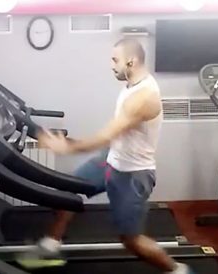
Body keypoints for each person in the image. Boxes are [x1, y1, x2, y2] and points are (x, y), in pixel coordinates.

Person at [36, 39, 193, 273]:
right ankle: (51, 243)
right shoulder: (131, 85)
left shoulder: (144, 97)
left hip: (132, 175)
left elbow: (105, 135)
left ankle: (176, 270)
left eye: (115, 60)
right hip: (110, 160)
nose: (111, 65)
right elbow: (113, 139)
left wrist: (68, 147)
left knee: (131, 240)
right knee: (67, 192)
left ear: (132, 61)